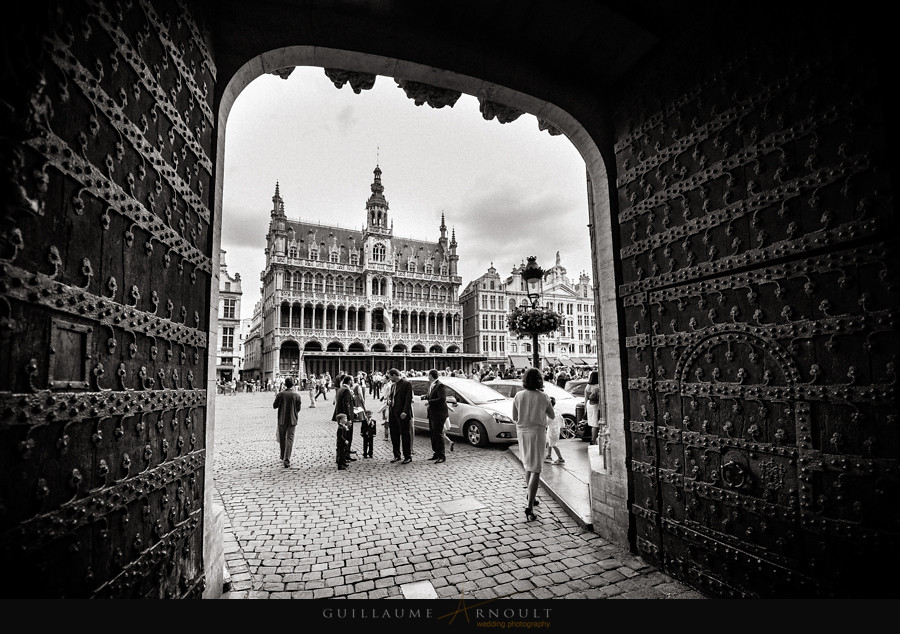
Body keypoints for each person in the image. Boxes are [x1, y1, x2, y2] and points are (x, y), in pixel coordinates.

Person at [512, 367, 555, 521]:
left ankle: (531, 495)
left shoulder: (518, 395)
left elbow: (514, 417)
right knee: (536, 468)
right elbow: (552, 415)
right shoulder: (543, 396)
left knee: (528, 465)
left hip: (522, 432)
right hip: (537, 432)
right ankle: (530, 506)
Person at [273, 376, 303, 468]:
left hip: (282, 419)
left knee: (282, 438)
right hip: (292, 420)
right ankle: (287, 459)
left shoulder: (281, 394)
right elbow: (298, 408)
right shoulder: (297, 395)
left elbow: (275, 406)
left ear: (285, 384)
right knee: (290, 439)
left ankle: (282, 455)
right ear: (293, 384)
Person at [386, 367, 413, 464]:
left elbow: (408, 399)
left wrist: (405, 412)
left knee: (405, 435)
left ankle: (407, 456)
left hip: (402, 414)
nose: (389, 379)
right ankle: (397, 455)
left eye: (390, 377)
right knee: (394, 435)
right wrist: (389, 401)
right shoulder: (393, 385)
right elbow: (392, 397)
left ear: (394, 375)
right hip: (393, 413)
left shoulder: (406, 384)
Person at [425, 368, 448, 464]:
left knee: (438, 434)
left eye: (428, 375)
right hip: (432, 413)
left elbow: (442, 399)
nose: (428, 377)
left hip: (439, 414)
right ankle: (436, 452)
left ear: (431, 376)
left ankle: (441, 455)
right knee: (433, 433)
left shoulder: (440, 385)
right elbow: (432, 396)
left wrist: (429, 402)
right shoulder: (432, 385)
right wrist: (425, 397)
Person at [332, 375, 357, 460]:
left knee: (343, 435)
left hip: (340, 416)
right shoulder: (346, 390)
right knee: (347, 436)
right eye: (353, 380)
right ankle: (346, 454)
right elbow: (347, 405)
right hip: (345, 417)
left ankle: (342, 454)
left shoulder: (341, 389)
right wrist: (349, 419)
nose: (353, 382)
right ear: (350, 381)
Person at [545, 396, 566, 464]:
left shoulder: (550, 413)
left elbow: (548, 421)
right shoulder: (556, 411)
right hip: (554, 429)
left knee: (553, 444)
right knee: (549, 442)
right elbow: (562, 419)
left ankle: (560, 458)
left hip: (553, 430)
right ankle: (549, 455)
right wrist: (562, 427)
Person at [584, 370, 602, 445]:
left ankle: (593, 439)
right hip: (595, 405)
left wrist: (585, 408)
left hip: (589, 404)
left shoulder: (588, 386)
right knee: (595, 424)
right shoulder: (598, 385)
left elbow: (586, 398)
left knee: (592, 423)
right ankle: (593, 440)